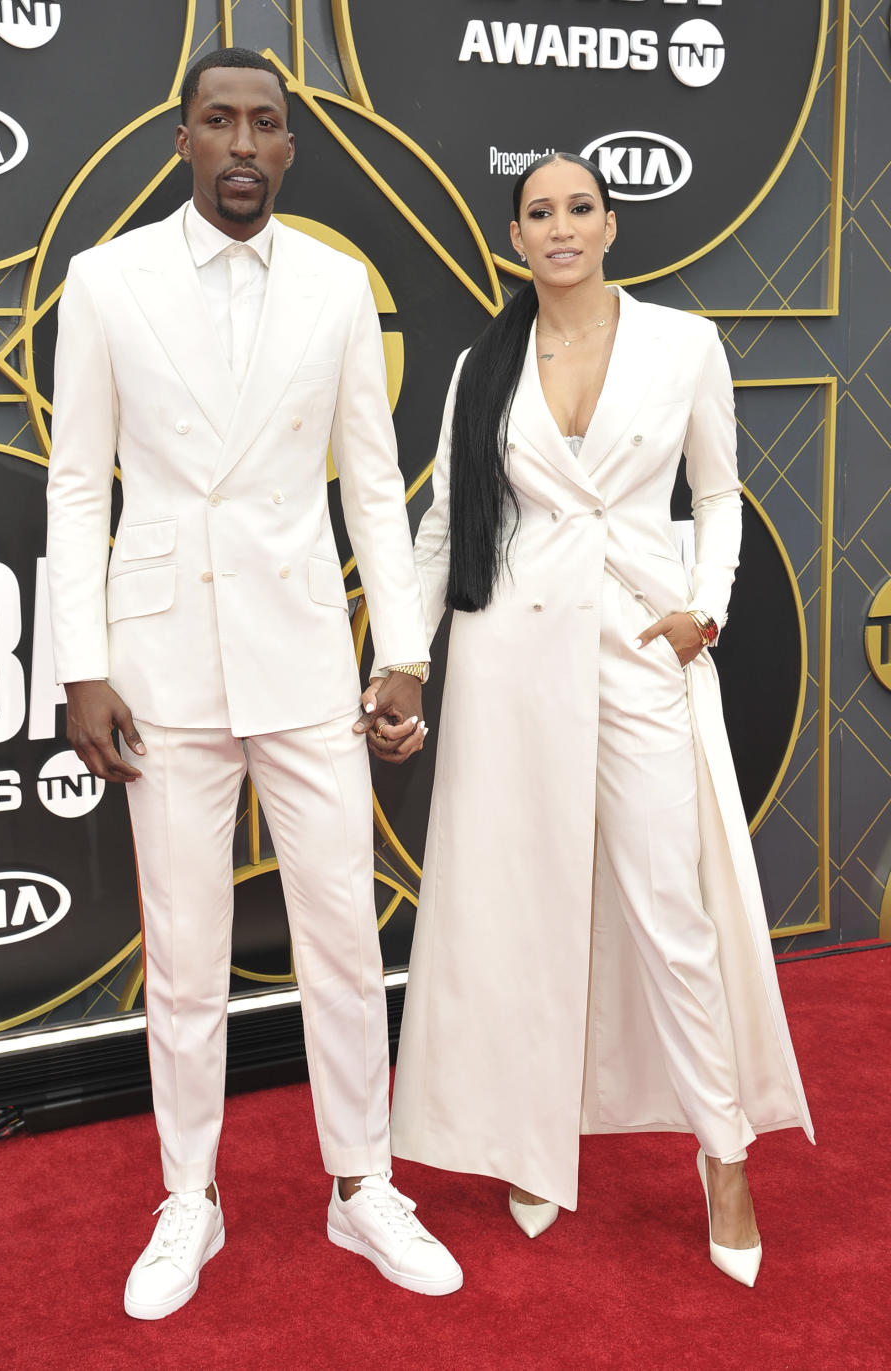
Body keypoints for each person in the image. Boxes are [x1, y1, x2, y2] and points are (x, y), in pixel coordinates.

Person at [46, 47, 461, 1320]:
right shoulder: (106, 281)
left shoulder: (340, 290)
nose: (241, 141)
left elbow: (376, 489)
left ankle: (362, 1187)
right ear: (181, 139)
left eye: (265, 124)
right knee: (183, 957)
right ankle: (192, 1201)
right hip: (160, 662)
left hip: (300, 659)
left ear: (291, 148)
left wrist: (401, 648)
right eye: (217, 119)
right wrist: (82, 665)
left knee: (342, 938)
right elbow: (77, 484)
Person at [379, 152, 814, 1288]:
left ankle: (724, 1153)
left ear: (610, 224)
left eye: (579, 208)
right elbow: (443, 525)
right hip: (509, 657)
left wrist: (702, 612)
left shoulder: (683, 344)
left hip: (636, 645)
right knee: (519, 907)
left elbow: (717, 496)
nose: (559, 227)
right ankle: (530, 1141)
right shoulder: (485, 362)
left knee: (672, 907)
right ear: (514, 237)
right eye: (538, 213)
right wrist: (404, 659)